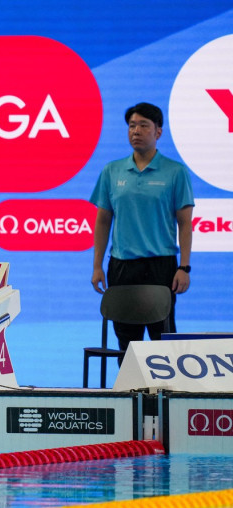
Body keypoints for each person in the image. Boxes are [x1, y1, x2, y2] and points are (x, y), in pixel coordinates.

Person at [90, 102, 194, 355]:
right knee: (127, 343)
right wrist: (97, 266)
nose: (135, 131)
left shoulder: (175, 172)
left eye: (143, 126)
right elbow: (103, 221)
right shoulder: (112, 171)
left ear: (158, 132)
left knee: (163, 341)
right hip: (122, 265)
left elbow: (185, 223)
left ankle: (164, 394)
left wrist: (184, 267)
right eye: (131, 126)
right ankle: (128, 393)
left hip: (162, 267)